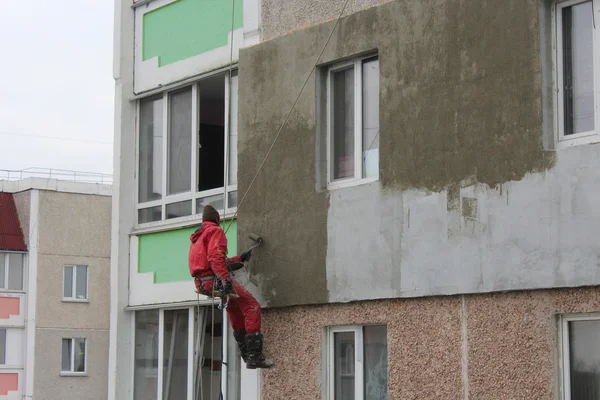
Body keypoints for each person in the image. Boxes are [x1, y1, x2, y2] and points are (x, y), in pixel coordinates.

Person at [188, 205, 274, 369]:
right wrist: (225, 279)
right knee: (252, 306)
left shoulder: (198, 237)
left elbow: (213, 261)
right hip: (215, 280)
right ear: (217, 219)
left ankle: (246, 355)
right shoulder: (215, 231)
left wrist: (239, 258)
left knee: (234, 309)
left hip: (203, 283)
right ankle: (254, 356)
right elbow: (215, 258)